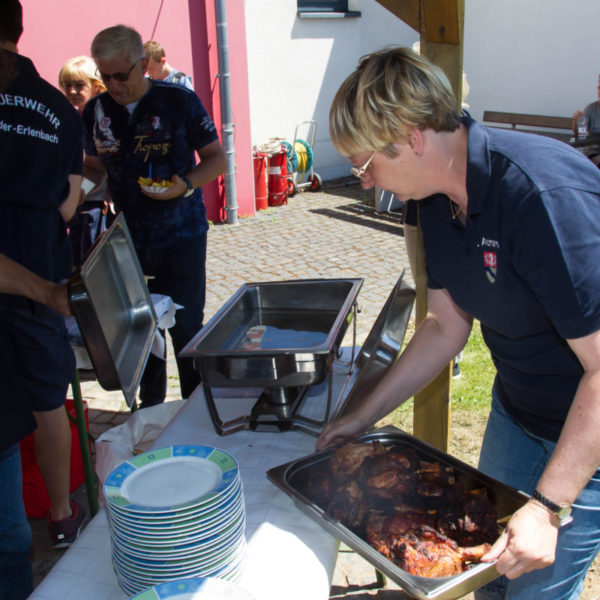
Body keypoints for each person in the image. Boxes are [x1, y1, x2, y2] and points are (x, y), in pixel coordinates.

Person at [317, 46, 600, 600]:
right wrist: (362, 417)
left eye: (367, 164)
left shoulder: (539, 195)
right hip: (518, 411)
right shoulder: (431, 202)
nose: (369, 182)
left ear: (413, 138)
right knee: (485, 573)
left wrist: (546, 506)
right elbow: (445, 326)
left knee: (532, 588)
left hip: (588, 434)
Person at [83, 25, 226, 408]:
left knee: (186, 329)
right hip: (129, 240)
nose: (113, 85)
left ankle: (196, 407)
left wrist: (186, 184)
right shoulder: (95, 111)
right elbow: (94, 166)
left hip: (182, 235)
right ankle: (152, 412)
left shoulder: (178, 101)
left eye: (121, 75)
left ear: (143, 65)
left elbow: (217, 158)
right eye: (105, 76)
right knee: (142, 330)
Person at [0, 0, 86, 589]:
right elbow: (70, 196)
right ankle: (59, 514)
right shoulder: (57, 105)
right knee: (47, 399)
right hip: (39, 267)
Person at [572, 75, 600, 166]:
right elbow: (582, 136)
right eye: (599, 88)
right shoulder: (590, 109)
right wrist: (577, 123)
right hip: (592, 150)